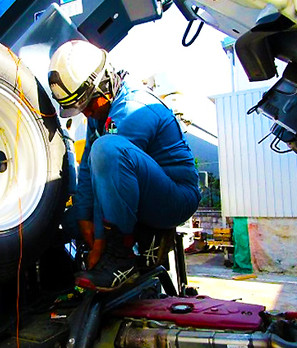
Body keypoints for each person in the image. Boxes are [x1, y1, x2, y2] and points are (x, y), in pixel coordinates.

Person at [48, 40, 201, 292]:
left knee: (107, 149)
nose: (85, 113)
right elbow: (87, 170)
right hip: (141, 192)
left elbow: (109, 180)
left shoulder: (133, 109)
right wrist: (84, 218)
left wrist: (100, 244)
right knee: (69, 220)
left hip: (176, 198)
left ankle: (121, 258)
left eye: (87, 104)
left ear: (105, 84)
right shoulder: (100, 112)